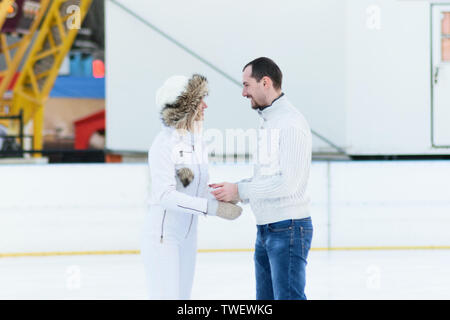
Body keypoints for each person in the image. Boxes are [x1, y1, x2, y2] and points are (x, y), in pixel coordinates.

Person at [210, 57, 313, 300]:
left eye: (247, 85)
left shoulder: (290, 123)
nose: (244, 92)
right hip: (267, 229)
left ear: (265, 82)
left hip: (287, 229)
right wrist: (236, 190)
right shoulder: (270, 121)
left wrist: (240, 191)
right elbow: (267, 178)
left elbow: (289, 183)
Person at [141, 74, 243, 300]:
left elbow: (190, 187)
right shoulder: (163, 144)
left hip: (188, 235)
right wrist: (211, 208)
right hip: (163, 237)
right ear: (183, 107)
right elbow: (166, 195)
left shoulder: (195, 142)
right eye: (199, 101)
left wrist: (226, 194)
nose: (205, 105)